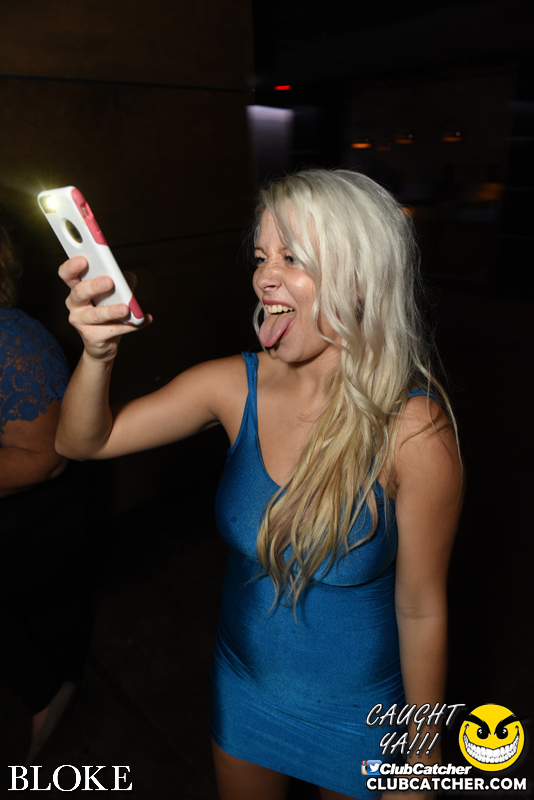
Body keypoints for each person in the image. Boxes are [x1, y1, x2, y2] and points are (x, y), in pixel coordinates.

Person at [56, 169, 463, 800]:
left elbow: (421, 607)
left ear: (361, 276)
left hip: (366, 716)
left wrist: (426, 750)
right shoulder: (232, 385)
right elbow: (82, 442)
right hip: (244, 690)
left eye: (292, 257)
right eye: (260, 257)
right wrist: (98, 354)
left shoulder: (415, 431)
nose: (264, 278)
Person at [0, 206, 91, 763]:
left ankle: (50, 693)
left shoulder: (14, 341)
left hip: (31, 518)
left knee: (42, 614)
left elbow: (42, 458)